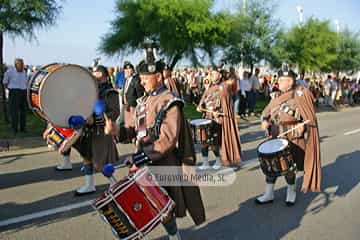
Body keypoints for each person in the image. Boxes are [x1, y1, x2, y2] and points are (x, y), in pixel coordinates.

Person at [104, 56, 205, 240]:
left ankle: (175, 237)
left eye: (145, 78)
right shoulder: (143, 101)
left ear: (158, 76)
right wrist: (116, 130)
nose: (141, 82)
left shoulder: (170, 101)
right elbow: (136, 131)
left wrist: (139, 158)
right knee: (143, 207)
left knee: (163, 207)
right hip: (144, 163)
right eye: (140, 78)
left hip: (163, 162)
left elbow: (167, 139)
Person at [45, 65, 120, 195]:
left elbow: (114, 112)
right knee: (86, 157)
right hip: (87, 129)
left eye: (98, 72)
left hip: (100, 131)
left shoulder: (110, 92)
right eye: (94, 71)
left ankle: (114, 183)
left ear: (105, 75)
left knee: (100, 162)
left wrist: (96, 119)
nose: (95, 74)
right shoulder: (89, 90)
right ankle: (89, 185)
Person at [255, 64, 321, 206]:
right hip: (275, 134)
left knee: (289, 166)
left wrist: (302, 125)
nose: (277, 82)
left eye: (281, 80)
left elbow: (309, 116)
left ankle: (291, 191)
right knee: (271, 164)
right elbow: (265, 112)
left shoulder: (301, 93)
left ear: (290, 81)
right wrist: (265, 121)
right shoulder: (276, 96)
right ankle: (268, 193)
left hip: (292, 135)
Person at [196, 66, 242, 170]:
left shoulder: (224, 86)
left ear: (220, 75)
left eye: (213, 73)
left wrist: (219, 112)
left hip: (218, 120)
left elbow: (226, 103)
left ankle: (219, 160)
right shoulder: (209, 87)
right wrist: (200, 106)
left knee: (215, 142)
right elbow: (203, 99)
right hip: (207, 117)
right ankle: (205, 162)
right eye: (210, 74)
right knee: (204, 142)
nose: (211, 75)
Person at [3, 58, 28, 135]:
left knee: (23, 111)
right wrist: (10, 90)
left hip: (23, 92)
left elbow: (25, 82)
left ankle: (22, 128)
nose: (22, 66)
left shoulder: (24, 72)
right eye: (20, 65)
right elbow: (5, 82)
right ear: (16, 65)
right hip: (14, 92)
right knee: (14, 112)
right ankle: (14, 129)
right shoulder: (10, 72)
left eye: (22, 64)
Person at [122, 61, 144, 129]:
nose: (127, 71)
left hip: (133, 107)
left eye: (129, 69)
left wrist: (138, 107)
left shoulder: (136, 80)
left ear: (133, 70)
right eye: (125, 69)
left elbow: (140, 95)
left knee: (133, 125)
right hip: (126, 107)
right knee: (127, 126)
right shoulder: (126, 80)